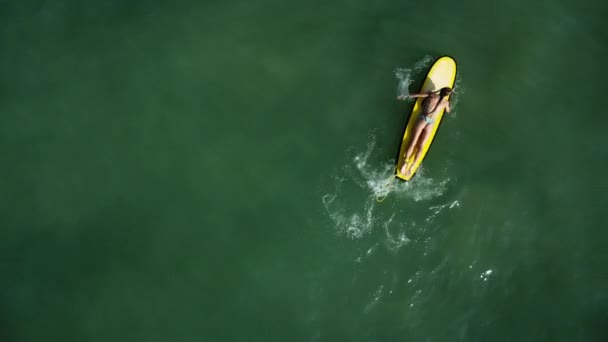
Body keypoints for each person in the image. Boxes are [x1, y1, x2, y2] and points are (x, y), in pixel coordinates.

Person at [397, 87, 453, 177]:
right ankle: (412, 166)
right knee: (421, 145)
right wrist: (448, 103)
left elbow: (416, 95)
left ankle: (405, 161)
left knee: (413, 141)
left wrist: (404, 96)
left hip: (423, 118)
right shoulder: (445, 102)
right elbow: (448, 111)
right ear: (447, 95)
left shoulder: (432, 95)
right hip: (431, 122)